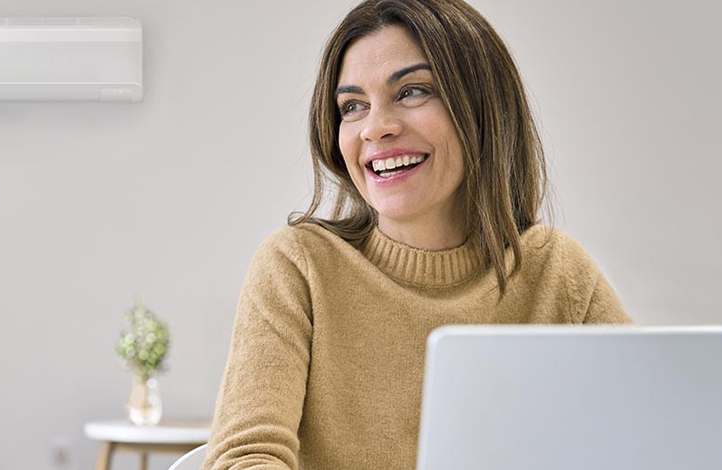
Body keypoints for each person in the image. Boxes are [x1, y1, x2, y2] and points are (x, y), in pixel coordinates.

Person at [201, 0, 634, 469]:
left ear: (482, 108)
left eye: (412, 91)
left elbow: (656, 437)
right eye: (353, 106)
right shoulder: (299, 267)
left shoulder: (558, 273)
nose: (376, 128)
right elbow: (245, 457)